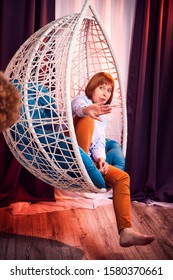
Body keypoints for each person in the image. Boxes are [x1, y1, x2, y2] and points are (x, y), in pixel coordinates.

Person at [71, 72, 155, 247]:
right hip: (70, 152)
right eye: (101, 88)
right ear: (92, 87)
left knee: (123, 177)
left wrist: (101, 159)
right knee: (86, 118)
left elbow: (99, 143)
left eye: (109, 90)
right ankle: (86, 161)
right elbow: (79, 108)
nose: (105, 93)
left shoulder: (102, 120)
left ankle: (126, 231)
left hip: (88, 159)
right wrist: (88, 110)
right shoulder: (81, 101)